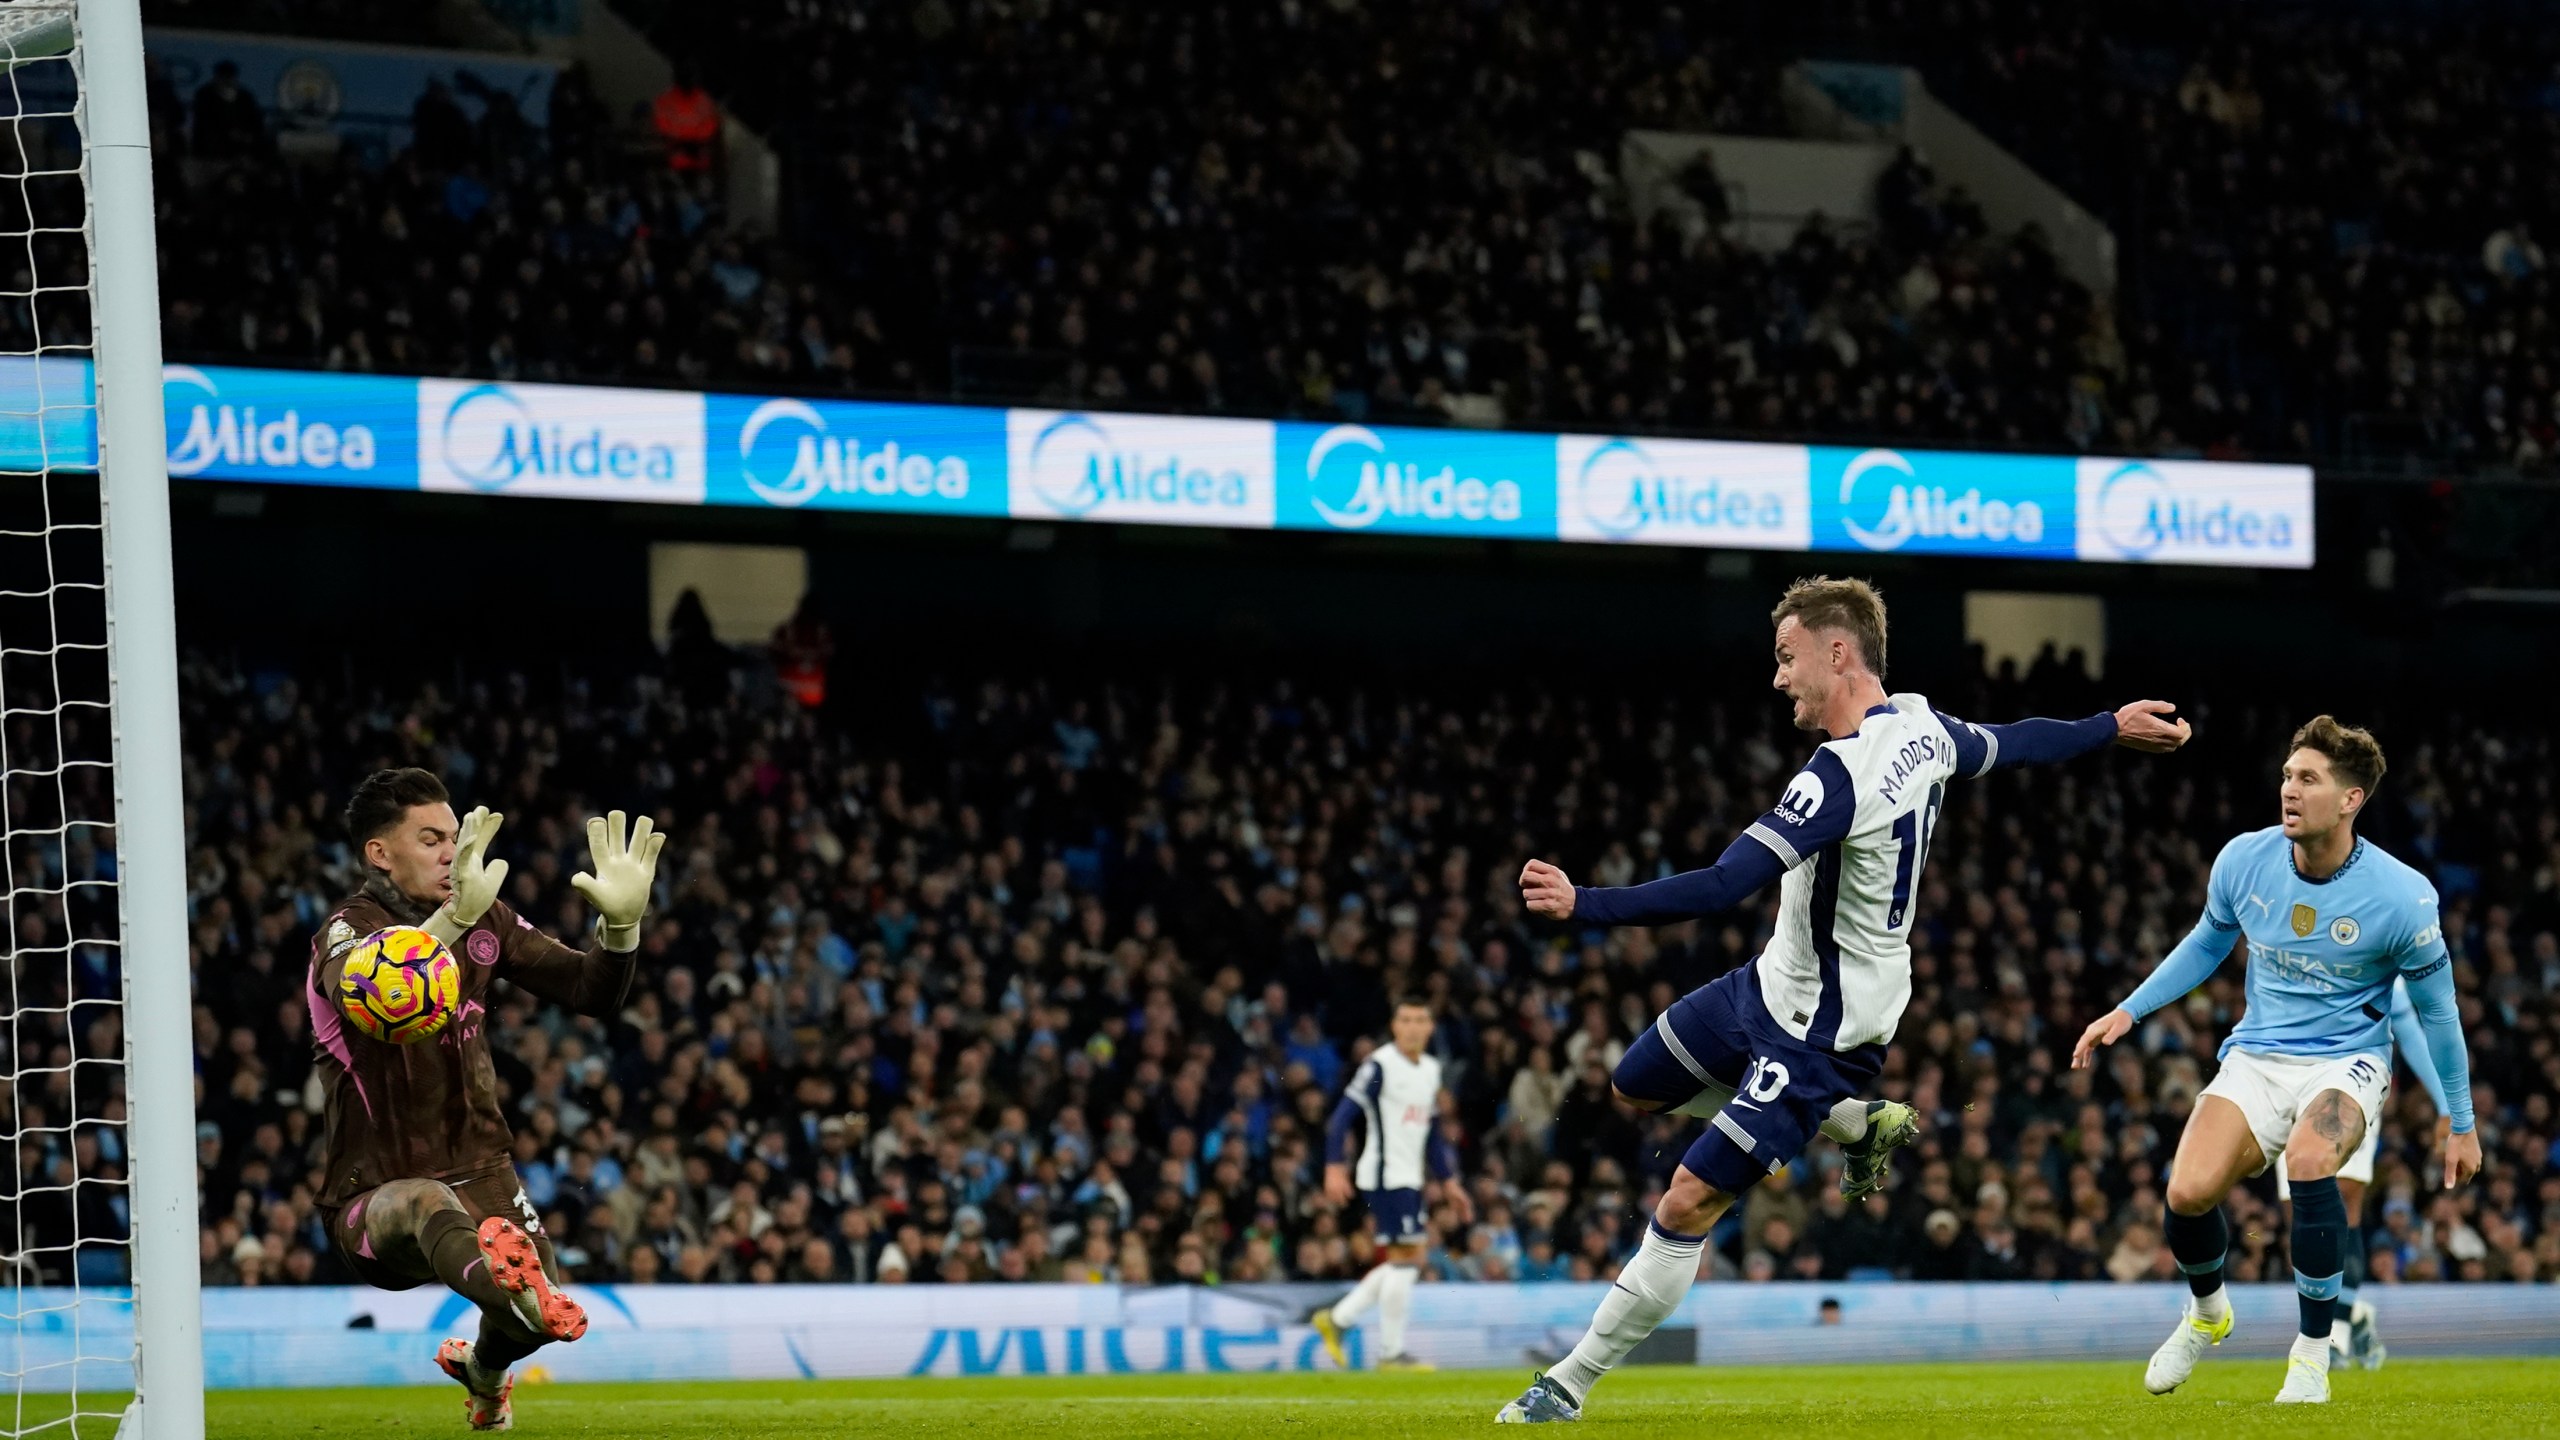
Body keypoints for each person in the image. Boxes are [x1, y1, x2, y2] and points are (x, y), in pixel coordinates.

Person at [1496, 576, 2191, 1423]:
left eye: (1787, 657)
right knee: (1633, 1088)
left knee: (1688, 1198)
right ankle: (1856, 1123)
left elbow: (1723, 885)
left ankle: (1565, 1385)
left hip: (1821, 1037)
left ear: (1837, 651)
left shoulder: (1840, 773)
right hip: (1765, 987)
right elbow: (2014, 742)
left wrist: (1585, 904)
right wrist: (2107, 725)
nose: (1779, 677)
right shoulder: (1924, 729)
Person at [2073, 715, 2477, 1406]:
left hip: (2347, 1060)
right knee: (2186, 1194)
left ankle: (2312, 1355)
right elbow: (2206, 943)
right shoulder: (2244, 860)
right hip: (2257, 1056)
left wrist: (2460, 1120)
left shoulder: (2402, 897)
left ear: (2350, 799)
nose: (2289, 788)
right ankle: (2207, 1314)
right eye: (2288, 774)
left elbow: (2438, 1012)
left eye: (2309, 779)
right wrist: (2128, 1010)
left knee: (2312, 1163)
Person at [309, 767, 667, 1430]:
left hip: (481, 1167)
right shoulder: (343, 931)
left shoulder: (486, 918)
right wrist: (456, 916)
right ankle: (516, 1295)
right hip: (374, 1193)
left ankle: (483, 1372)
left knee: (537, 1322)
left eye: (456, 836)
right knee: (428, 1205)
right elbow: (379, 993)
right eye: (430, 839)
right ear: (379, 853)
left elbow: (591, 991)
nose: (453, 852)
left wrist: (621, 930)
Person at [2272, 976, 2448, 1368]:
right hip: (2293, 1091)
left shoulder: (2377, 954)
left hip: (2354, 1086)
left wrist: (2444, 1104)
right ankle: (2355, 1315)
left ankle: (2332, 1339)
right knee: (2301, 1220)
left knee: (2342, 1203)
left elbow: (2409, 1031)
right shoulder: (2292, 954)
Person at [1310, 999, 1468, 1371]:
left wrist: (1449, 1182)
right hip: (1384, 1175)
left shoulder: (1430, 1069)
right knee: (1406, 1262)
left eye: (1420, 1020)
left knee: (1409, 1259)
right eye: (1405, 1020)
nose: (1413, 1027)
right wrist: (1334, 1167)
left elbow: (1429, 1133)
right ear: (1395, 1026)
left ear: (1430, 1027)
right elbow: (1340, 1119)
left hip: (1409, 1178)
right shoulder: (1379, 1065)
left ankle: (1337, 1320)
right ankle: (1390, 1353)